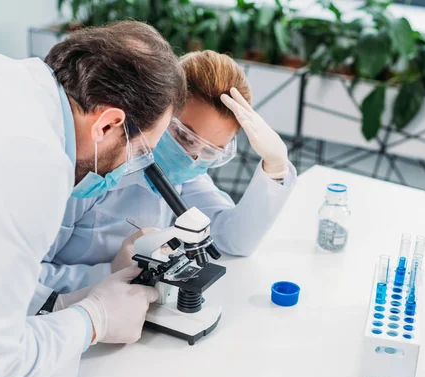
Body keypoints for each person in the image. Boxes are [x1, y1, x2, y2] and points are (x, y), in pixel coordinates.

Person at [0, 21, 186, 377]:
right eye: (139, 153)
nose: (124, 173)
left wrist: (62, 300)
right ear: (108, 124)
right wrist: (92, 320)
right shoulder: (32, 162)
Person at [31, 50, 298, 313]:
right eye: (185, 137)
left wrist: (275, 167)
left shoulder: (184, 174)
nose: (191, 159)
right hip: (58, 321)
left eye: (209, 152)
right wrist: (108, 273)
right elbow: (19, 278)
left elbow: (235, 240)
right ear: (160, 111)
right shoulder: (93, 173)